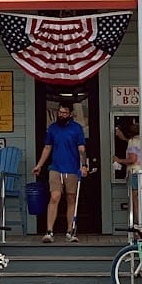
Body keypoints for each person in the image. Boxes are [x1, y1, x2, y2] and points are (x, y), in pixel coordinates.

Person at [32, 102, 89, 242]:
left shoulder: (77, 129)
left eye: (64, 112)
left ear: (70, 114)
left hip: (72, 169)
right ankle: (49, 231)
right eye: (60, 112)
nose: (61, 115)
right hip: (56, 168)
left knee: (71, 199)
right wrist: (39, 165)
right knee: (55, 196)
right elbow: (47, 148)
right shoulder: (52, 128)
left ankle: (70, 231)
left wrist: (84, 165)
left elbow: (81, 149)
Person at [112, 118, 142, 225]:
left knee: (135, 201)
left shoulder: (132, 141)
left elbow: (132, 159)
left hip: (134, 173)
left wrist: (118, 160)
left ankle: (138, 226)